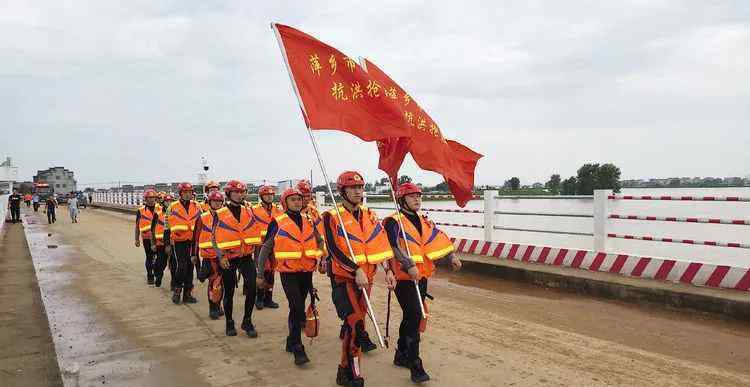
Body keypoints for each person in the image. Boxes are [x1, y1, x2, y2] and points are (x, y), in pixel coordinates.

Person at [323, 171, 396, 387]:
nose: (358, 191)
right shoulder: (331, 216)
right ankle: (354, 374)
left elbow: (380, 244)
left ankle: (344, 371)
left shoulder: (370, 215)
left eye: (360, 187)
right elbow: (334, 250)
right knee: (356, 324)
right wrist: (355, 270)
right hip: (345, 279)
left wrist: (389, 269)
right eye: (353, 187)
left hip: (368, 279)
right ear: (342, 191)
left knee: (354, 325)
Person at [383, 183, 462, 383]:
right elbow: (392, 246)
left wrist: (451, 255)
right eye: (411, 197)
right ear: (402, 200)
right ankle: (415, 364)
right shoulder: (393, 222)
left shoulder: (424, 221)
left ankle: (401, 353)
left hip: (422, 276)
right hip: (404, 278)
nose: (417, 199)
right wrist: (407, 264)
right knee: (415, 316)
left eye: (418, 196)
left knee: (410, 316)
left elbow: (438, 239)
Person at [256, 188, 325, 365]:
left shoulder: (309, 219)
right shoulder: (277, 222)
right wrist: (260, 272)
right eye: (293, 199)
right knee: (296, 307)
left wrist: (323, 256)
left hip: (307, 272)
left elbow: (319, 240)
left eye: (299, 199)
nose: (297, 202)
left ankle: (290, 340)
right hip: (288, 273)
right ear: (285, 202)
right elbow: (266, 248)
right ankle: (297, 347)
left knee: (298, 308)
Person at [212, 180, 262, 337]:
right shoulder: (220, 213)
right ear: (228, 193)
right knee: (229, 291)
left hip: (246, 256)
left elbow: (254, 231)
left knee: (252, 287)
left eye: (242, 192)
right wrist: (220, 256)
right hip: (228, 258)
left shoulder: (248, 211)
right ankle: (229, 322)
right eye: (237, 192)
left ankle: (247, 321)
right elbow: (214, 237)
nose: (240, 195)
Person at [165, 183, 201, 304]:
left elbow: (203, 222)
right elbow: (166, 227)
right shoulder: (172, 207)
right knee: (182, 266)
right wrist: (167, 244)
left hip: (193, 242)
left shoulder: (197, 206)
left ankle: (187, 294)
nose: (188, 194)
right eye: (185, 192)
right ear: (180, 193)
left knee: (191, 267)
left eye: (190, 192)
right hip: (179, 242)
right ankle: (177, 290)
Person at [249, 185, 283, 310]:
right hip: (260, 245)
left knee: (272, 271)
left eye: (271, 194)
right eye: (266, 195)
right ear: (261, 196)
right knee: (262, 270)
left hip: (274, 245)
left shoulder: (278, 210)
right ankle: (259, 298)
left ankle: (268, 298)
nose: (269, 197)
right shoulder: (253, 210)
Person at [194, 190, 226, 320]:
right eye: (214, 201)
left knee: (222, 283)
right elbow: (195, 238)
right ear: (209, 202)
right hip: (209, 256)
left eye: (219, 201)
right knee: (214, 281)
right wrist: (194, 254)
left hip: (224, 256)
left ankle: (218, 305)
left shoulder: (226, 217)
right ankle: (213, 307)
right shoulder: (202, 218)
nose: (217, 204)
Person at [135, 190, 161, 285]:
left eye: (153, 198)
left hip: (158, 237)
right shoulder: (140, 211)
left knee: (159, 257)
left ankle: (157, 273)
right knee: (149, 256)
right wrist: (136, 239)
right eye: (149, 198)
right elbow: (137, 225)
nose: (151, 200)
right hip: (146, 237)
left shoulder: (160, 209)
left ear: (156, 198)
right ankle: (150, 275)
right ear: (145, 199)